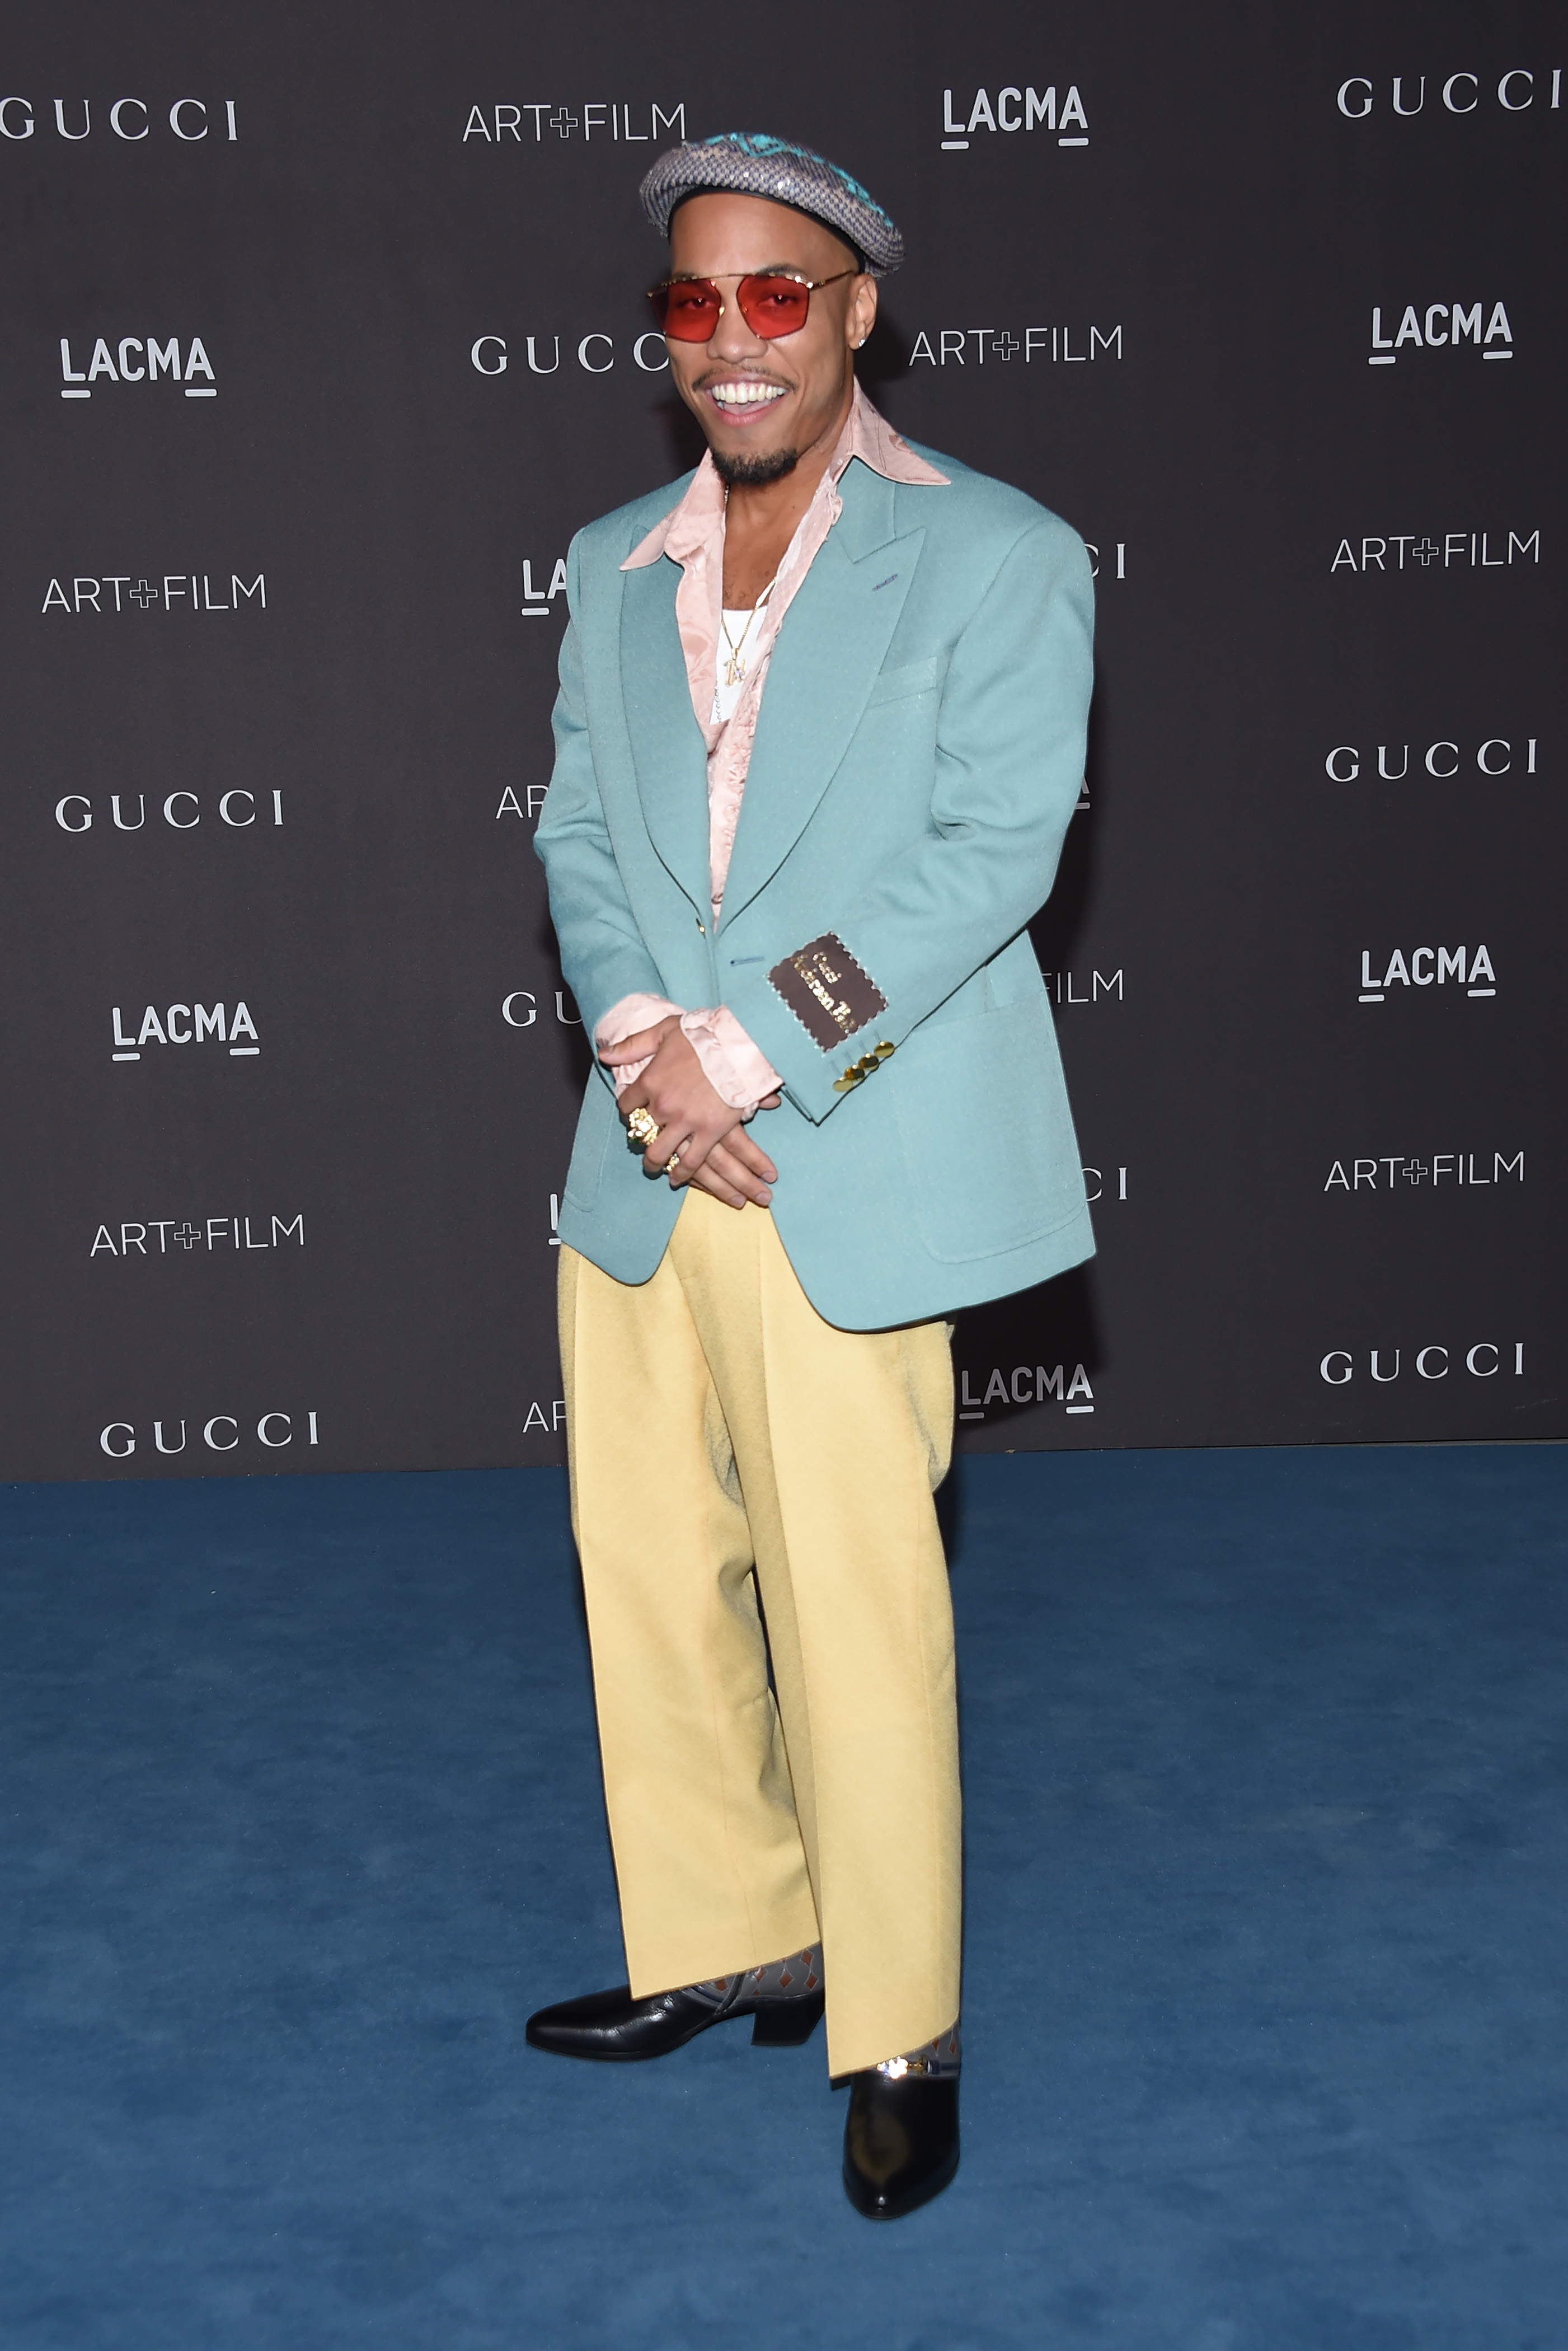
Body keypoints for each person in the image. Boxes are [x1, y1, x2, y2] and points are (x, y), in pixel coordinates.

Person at [529, 132, 1094, 2221]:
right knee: (650, 1574)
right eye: (693, 302)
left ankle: (897, 2025)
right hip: (643, 1153)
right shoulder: (612, 562)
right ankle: (734, 1935)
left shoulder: (999, 553)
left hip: (838, 1155)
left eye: (777, 294)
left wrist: (747, 1049)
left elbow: (992, 856)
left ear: (856, 310)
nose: (733, 338)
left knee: (855, 1609)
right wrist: (643, 1047)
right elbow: (577, 835)